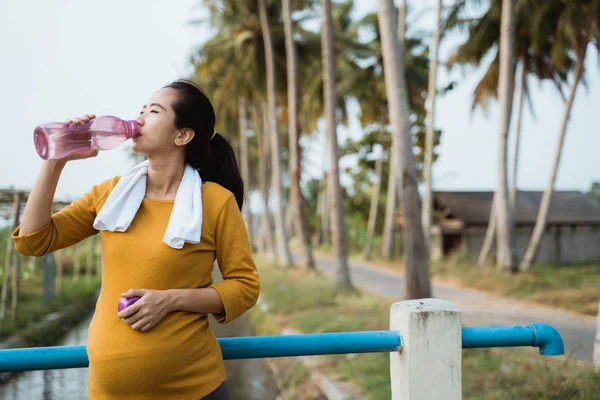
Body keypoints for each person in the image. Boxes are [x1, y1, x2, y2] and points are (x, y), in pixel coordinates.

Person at [12, 80, 260, 400]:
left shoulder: (215, 202)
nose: (140, 119)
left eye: (154, 111)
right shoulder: (111, 195)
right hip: (107, 393)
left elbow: (245, 285)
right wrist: (56, 159)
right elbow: (33, 241)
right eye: (141, 110)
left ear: (182, 135)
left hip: (195, 389)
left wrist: (170, 299)